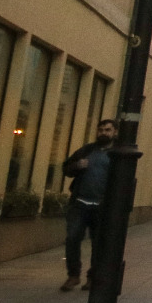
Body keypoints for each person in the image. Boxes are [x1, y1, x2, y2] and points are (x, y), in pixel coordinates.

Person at [59, 119, 116, 291]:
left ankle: (93, 277)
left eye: (107, 130)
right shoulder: (87, 150)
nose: (103, 133)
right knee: (72, 238)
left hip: (102, 207)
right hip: (80, 203)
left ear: (115, 132)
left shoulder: (116, 154)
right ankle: (73, 275)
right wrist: (77, 165)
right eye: (101, 130)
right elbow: (66, 169)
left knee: (98, 244)